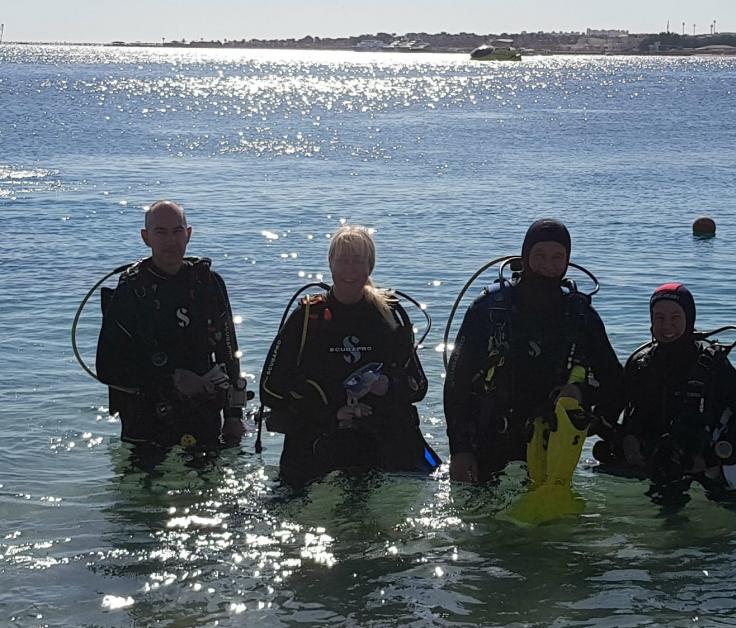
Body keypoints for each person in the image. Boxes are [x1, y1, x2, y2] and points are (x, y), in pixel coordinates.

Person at [444, 218, 624, 483]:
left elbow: (616, 384)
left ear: (567, 261)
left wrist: (583, 398)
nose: (547, 266)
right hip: (491, 441)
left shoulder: (580, 315)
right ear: (525, 256)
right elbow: (456, 385)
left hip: (552, 444)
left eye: (557, 257)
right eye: (539, 256)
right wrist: (459, 450)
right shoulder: (490, 310)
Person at [260, 225, 440, 488]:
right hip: (320, 438)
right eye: (342, 260)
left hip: (379, 441)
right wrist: (333, 412)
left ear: (370, 266)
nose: (349, 270)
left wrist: (387, 386)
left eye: (357, 261)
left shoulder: (389, 315)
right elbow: (270, 390)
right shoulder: (308, 318)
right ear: (330, 263)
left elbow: (418, 386)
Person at [593, 282, 736, 504]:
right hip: (657, 465)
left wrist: (707, 459)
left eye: (676, 317)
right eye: (659, 317)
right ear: (650, 321)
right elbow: (617, 411)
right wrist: (626, 438)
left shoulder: (713, 367)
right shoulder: (640, 364)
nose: (667, 325)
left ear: (690, 319)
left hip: (707, 468)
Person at [96, 200, 246, 451]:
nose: (170, 241)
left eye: (177, 231)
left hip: (202, 410)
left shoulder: (207, 282)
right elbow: (107, 369)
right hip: (146, 417)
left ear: (188, 235)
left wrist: (234, 415)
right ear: (146, 237)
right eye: (161, 232)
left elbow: (229, 351)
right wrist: (171, 380)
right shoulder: (132, 289)